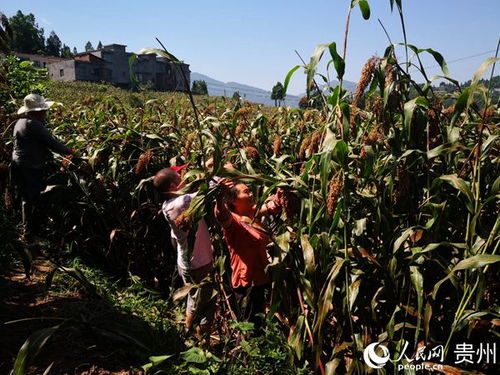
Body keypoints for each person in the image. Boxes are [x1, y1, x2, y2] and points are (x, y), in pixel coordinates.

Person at [153, 165, 215, 341]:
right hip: (198, 264)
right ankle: (195, 341)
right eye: (181, 177)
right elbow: (211, 189)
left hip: (188, 262)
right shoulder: (183, 203)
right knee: (202, 306)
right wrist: (218, 170)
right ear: (174, 186)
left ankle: (192, 336)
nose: (186, 178)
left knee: (194, 300)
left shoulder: (168, 205)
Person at [215, 179, 282, 331]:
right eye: (246, 192)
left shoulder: (251, 213)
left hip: (260, 278)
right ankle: (247, 353)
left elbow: (273, 206)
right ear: (233, 200)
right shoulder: (234, 222)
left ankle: (256, 352)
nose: (251, 194)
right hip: (247, 282)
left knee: (258, 323)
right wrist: (219, 197)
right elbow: (222, 215)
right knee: (249, 326)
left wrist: (282, 193)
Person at [11, 93, 73, 242]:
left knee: (26, 198)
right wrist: (71, 152)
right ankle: (30, 235)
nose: (45, 113)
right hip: (30, 166)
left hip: (18, 164)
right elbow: (52, 143)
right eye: (44, 110)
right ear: (37, 111)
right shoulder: (34, 124)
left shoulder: (20, 122)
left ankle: (28, 231)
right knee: (32, 198)